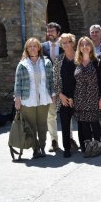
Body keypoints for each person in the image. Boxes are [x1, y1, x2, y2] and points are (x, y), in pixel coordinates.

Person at [14, 37, 54, 158]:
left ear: (39, 48)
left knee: (42, 124)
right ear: (27, 49)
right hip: (28, 99)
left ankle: (42, 147)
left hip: (44, 98)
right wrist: (17, 99)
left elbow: (51, 80)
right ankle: (35, 148)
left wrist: (53, 95)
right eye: (30, 46)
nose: (32, 48)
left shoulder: (46, 62)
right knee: (31, 125)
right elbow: (18, 83)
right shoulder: (22, 64)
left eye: (35, 46)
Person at [73, 37, 101, 155]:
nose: (85, 46)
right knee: (84, 123)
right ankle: (88, 147)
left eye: (87, 44)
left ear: (91, 46)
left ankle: (96, 146)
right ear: (79, 48)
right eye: (82, 44)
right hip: (80, 98)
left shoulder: (97, 62)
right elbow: (74, 82)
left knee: (94, 122)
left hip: (94, 97)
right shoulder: (76, 63)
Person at [53, 33, 78, 158]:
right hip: (64, 96)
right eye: (63, 43)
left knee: (83, 122)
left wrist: (76, 97)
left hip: (79, 95)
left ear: (73, 42)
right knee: (65, 123)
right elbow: (55, 79)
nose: (66, 44)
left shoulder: (79, 57)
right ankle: (67, 148)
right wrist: (60, 95)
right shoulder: (58, 59)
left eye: (68, 42)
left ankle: (85, 145)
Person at [42, 22, 63, 152]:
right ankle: (54, 140)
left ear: (58, 33)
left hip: (64, 85)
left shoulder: (65, 45)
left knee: (67, 114)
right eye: (48, 31)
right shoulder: (42, 47)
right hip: (49, 85)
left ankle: (70, 138)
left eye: (52, 31)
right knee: (51, 115)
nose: (50, 33)